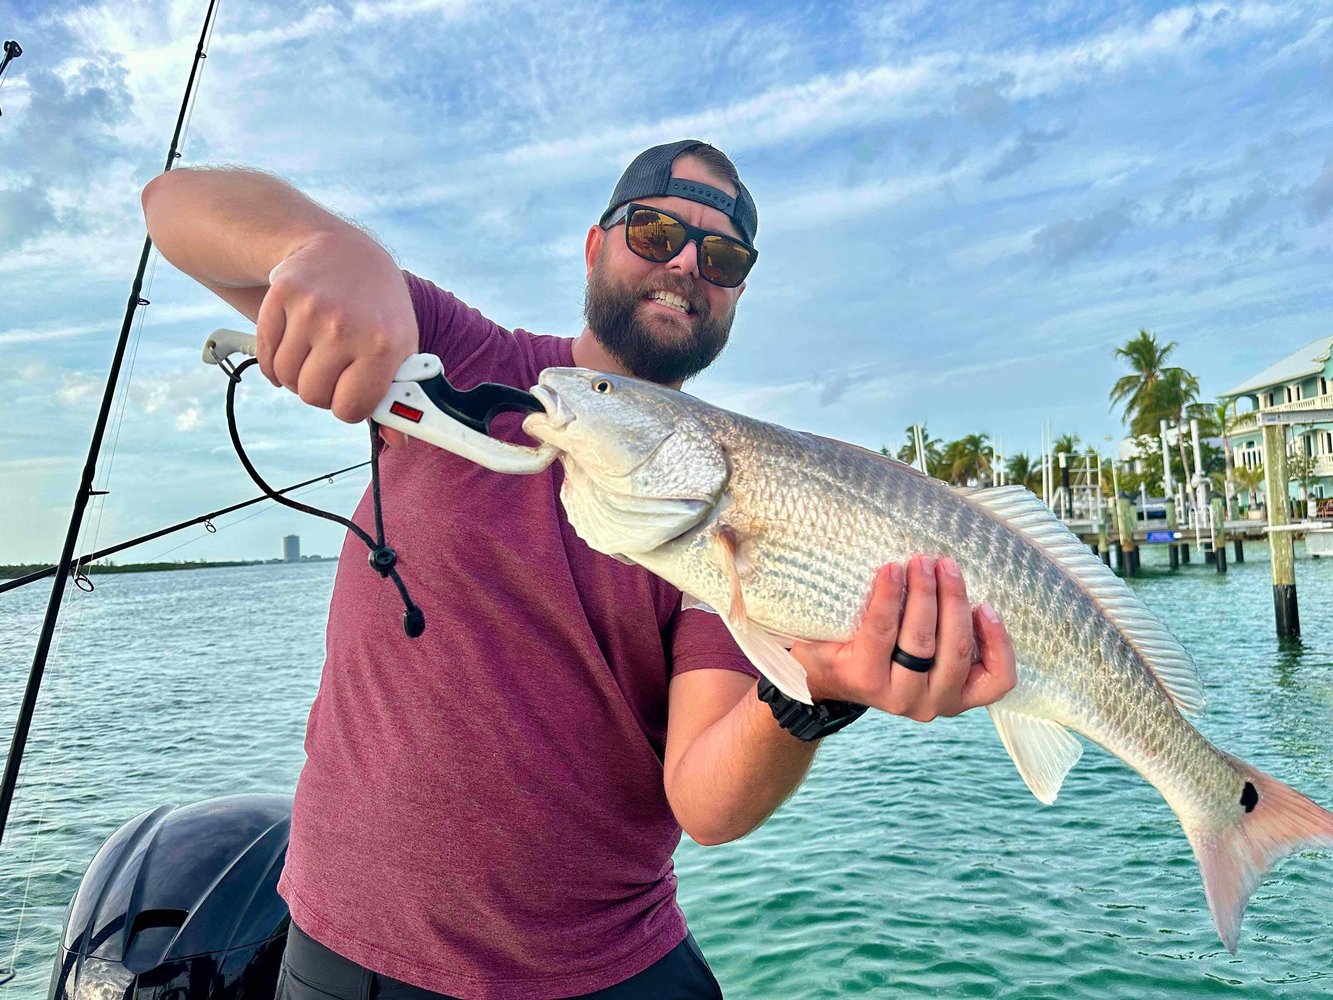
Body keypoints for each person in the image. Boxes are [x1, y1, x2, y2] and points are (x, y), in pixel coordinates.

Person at [141, 140, 1017, 1000]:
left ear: (738, 292)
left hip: (604, 967)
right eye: (651, 232)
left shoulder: (733, 497)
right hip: (348, 947)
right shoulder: (463, 357)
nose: (683, 263)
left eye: (720, 254)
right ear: (596, 245)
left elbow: (706, 802)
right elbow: (172, 209)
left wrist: (815, 690)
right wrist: (330, 250)